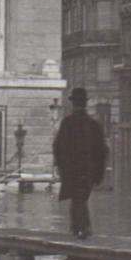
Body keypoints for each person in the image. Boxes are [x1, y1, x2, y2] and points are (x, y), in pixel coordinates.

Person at [53, 87, 107, 239]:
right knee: (80, 198)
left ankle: (80, 228)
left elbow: (57, 147)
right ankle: (80, 228)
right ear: (85, 103)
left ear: (73, 103)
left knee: (76, 199)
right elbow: (102, 151)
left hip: (71, 171)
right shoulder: (94, 125)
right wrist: (99, 174)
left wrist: (59, 167)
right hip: (89, 171)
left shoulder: (67, 123)